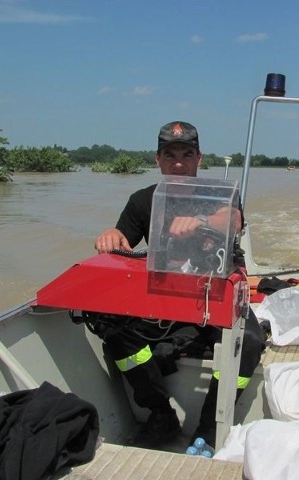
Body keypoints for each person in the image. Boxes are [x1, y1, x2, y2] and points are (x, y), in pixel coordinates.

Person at [91, 121, 264, 449]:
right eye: (170, 155)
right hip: (165, 297)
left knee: (250, 341)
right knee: (108, 323)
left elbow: (232, 219)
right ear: (158, 160)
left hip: (213, 294)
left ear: (200, 158)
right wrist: (112, 237)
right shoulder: (143, 200)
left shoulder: (219, 195)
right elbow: (122, 245)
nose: (179, 162)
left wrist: (198, 221)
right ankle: (160, 414)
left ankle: (209, 428)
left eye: (187, 154)